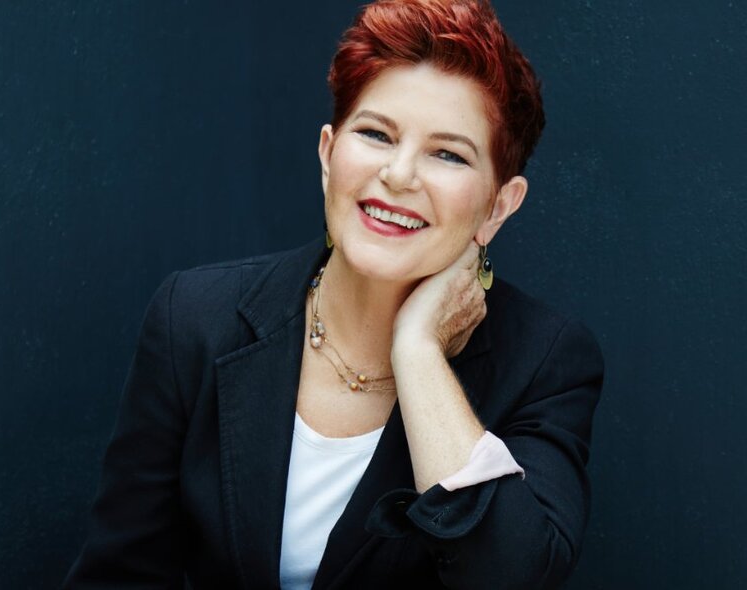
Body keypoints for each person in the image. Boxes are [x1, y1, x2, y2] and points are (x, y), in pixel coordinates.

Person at [63, 0, 603, 588]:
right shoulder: (194, 317)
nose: (398, 175)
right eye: (376, 134)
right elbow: (119, 576)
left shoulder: (546, 361)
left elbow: (508, 575)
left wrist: (419, 353)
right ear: (328, 155)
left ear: (499, 206)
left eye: (447, 153)